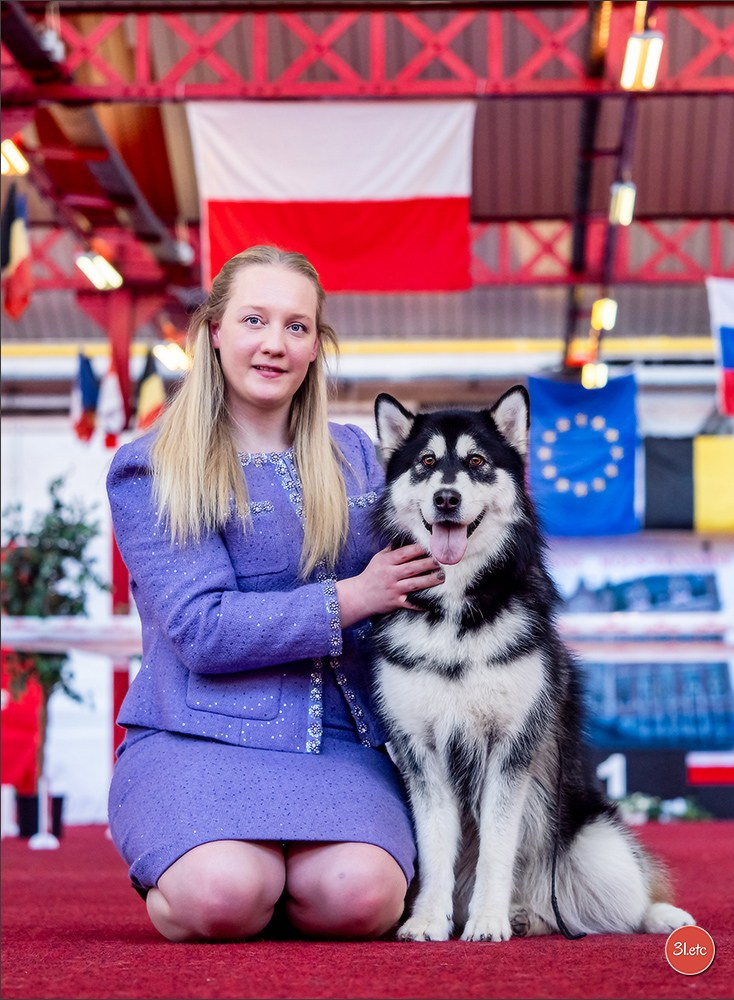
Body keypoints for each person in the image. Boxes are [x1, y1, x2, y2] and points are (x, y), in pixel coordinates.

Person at [106, 245, 444, 943]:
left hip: (343, 741)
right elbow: (203, 630)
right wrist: (355, 597)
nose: (274, 343)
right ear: (215, 331)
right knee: (225, 895)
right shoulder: (151, 467)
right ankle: (220, 878)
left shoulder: (358, 455)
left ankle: (284, 886)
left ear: (317, 348)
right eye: (254, 319)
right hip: (197, 736)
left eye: (296, 327)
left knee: (363, 900)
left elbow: (427, 569)